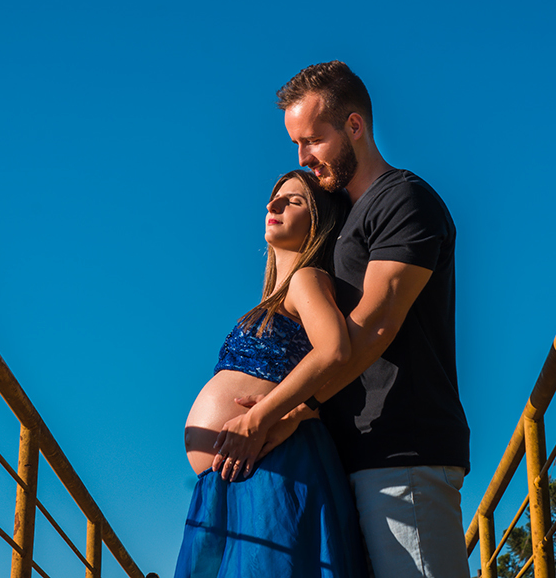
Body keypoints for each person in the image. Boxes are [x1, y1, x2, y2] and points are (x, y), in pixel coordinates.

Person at [247, 61, 472, 578]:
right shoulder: (344, 221)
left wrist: (281, 412)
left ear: (354, 126)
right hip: (350, 458)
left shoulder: (403, 199)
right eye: (296, 144)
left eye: (313, 140)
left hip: (402, 453)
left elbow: (375, 326)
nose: (303, 157)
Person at [175, 169, 368, 578]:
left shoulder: (306, 278)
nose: (273, 204)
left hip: (275, 464)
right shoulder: (274, 298)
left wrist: (262, 417)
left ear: (318, 222)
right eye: (275, 197)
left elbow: (335, 350)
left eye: (293, 201)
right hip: (236, 475)